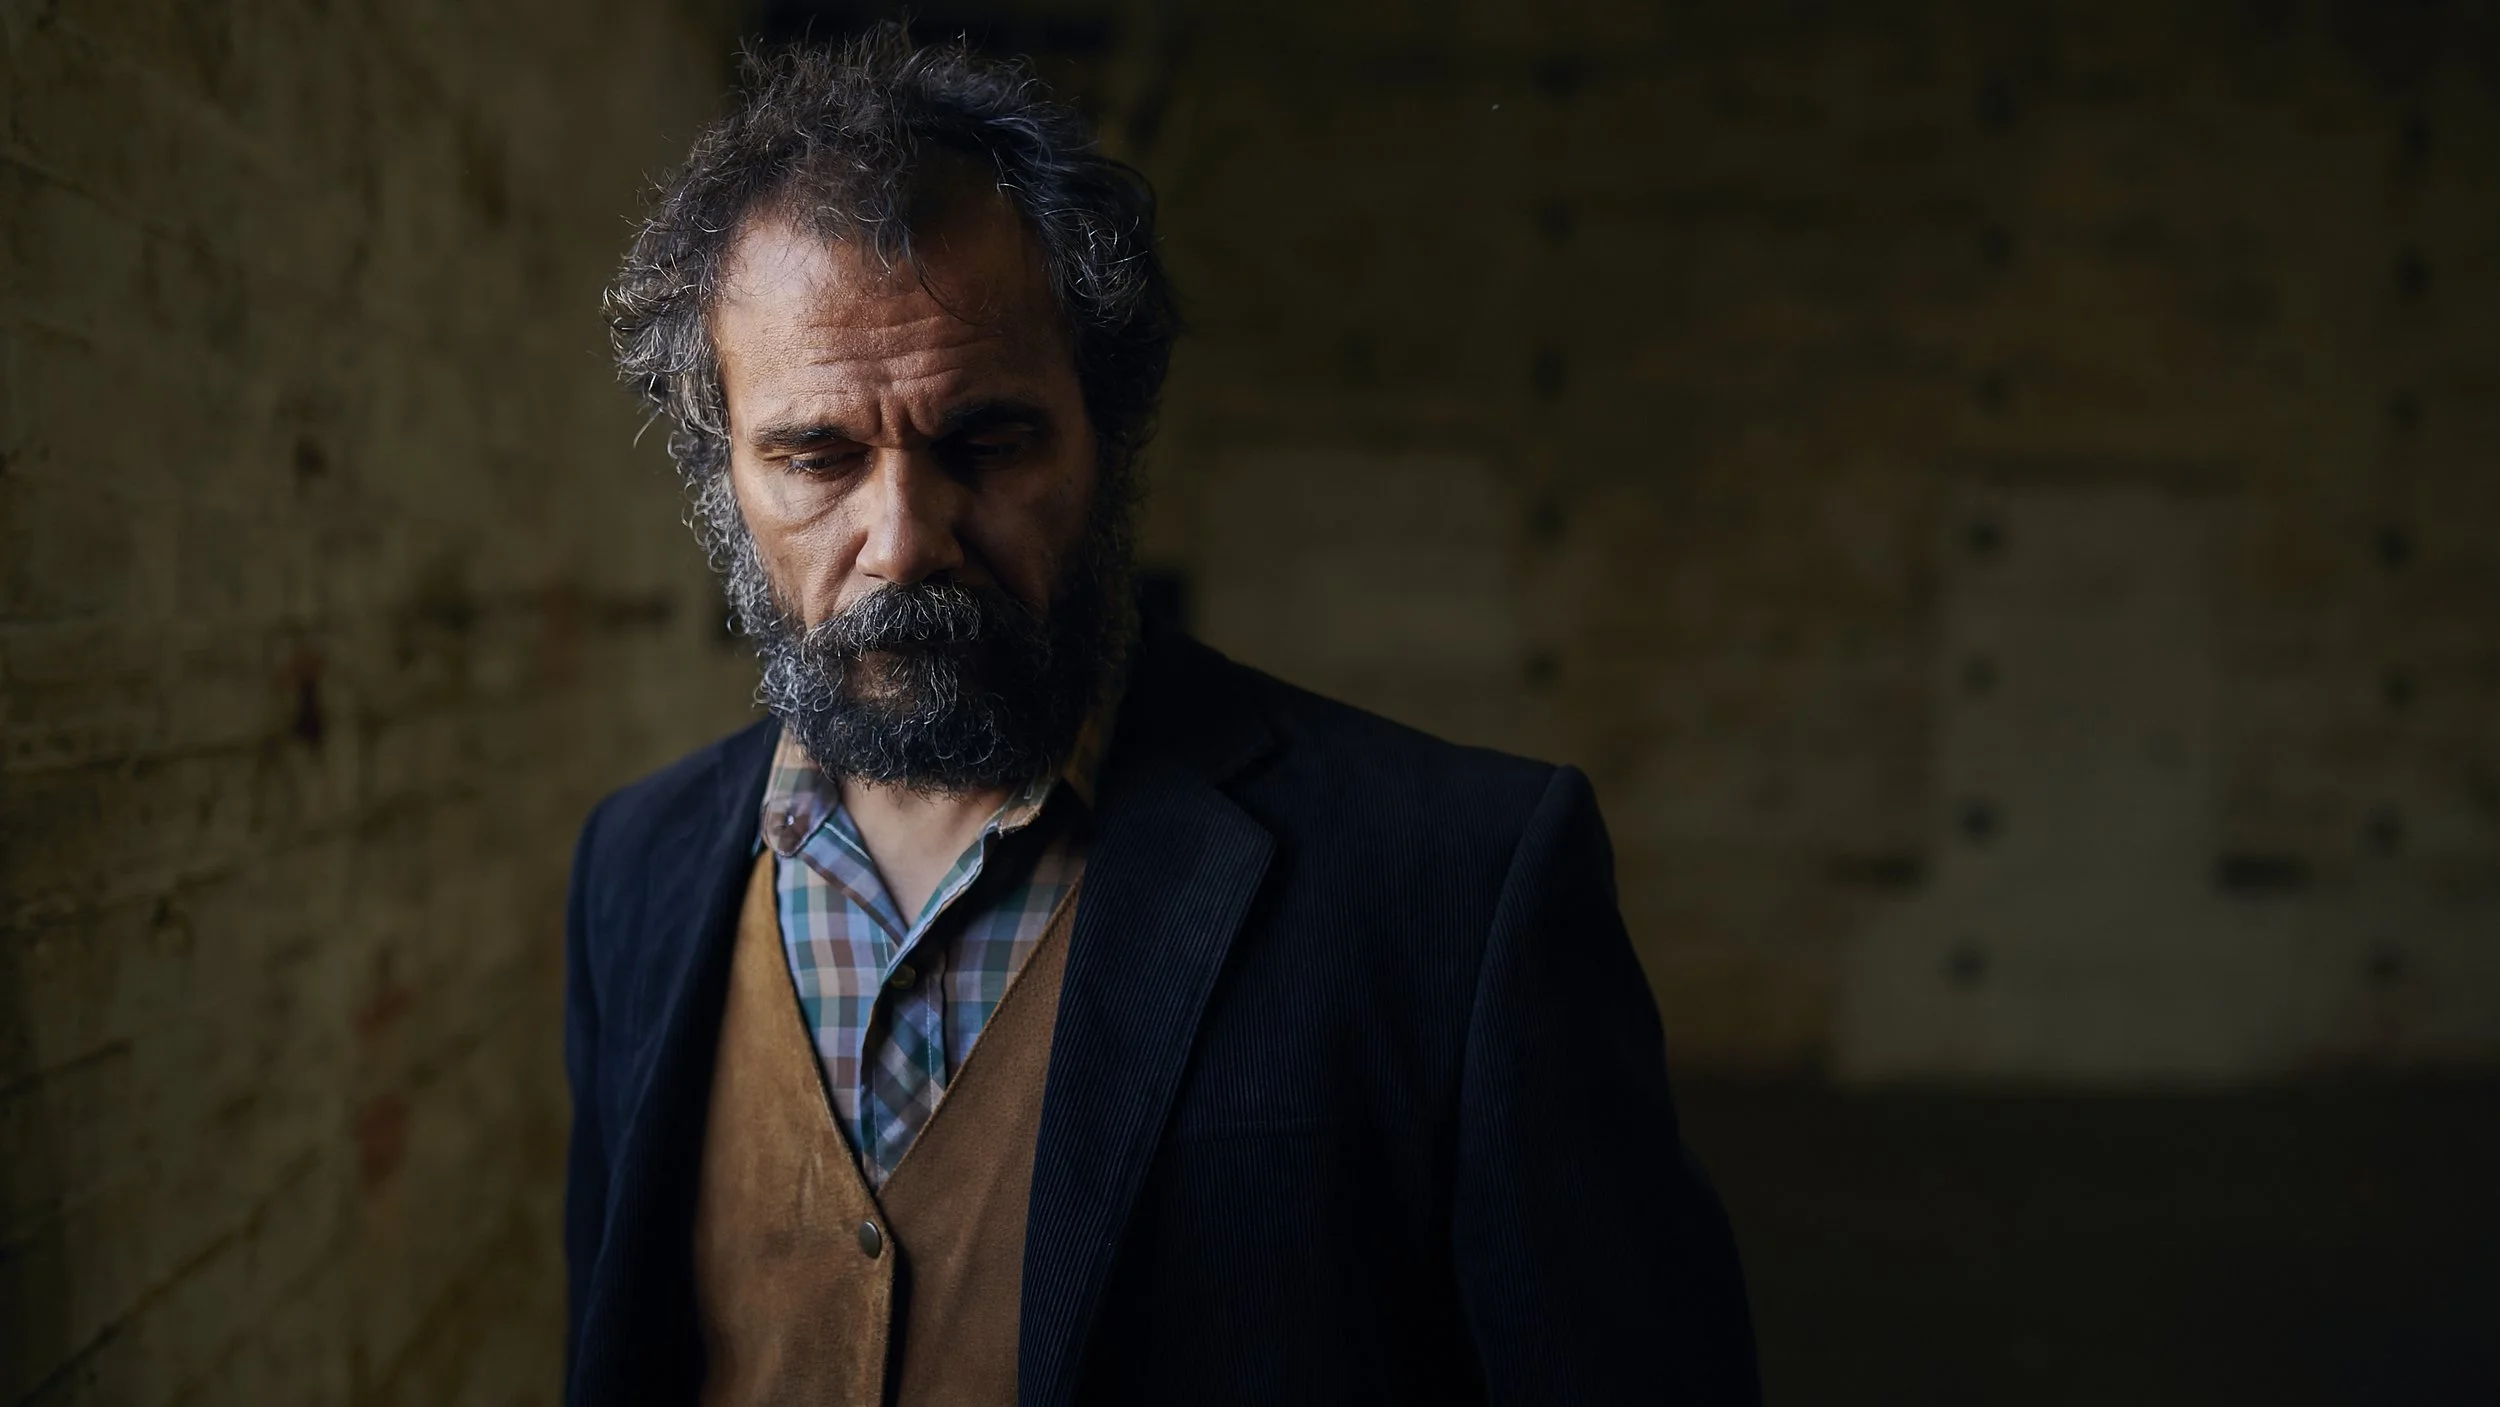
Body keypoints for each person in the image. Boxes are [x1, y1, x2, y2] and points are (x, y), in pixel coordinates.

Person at [566, 26, 1757, 1406]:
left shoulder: (1461, 882)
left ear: (1108, 432)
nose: (904, 539)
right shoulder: (633, 872)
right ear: (722, 472)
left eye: (988, 441)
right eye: (817, 456)